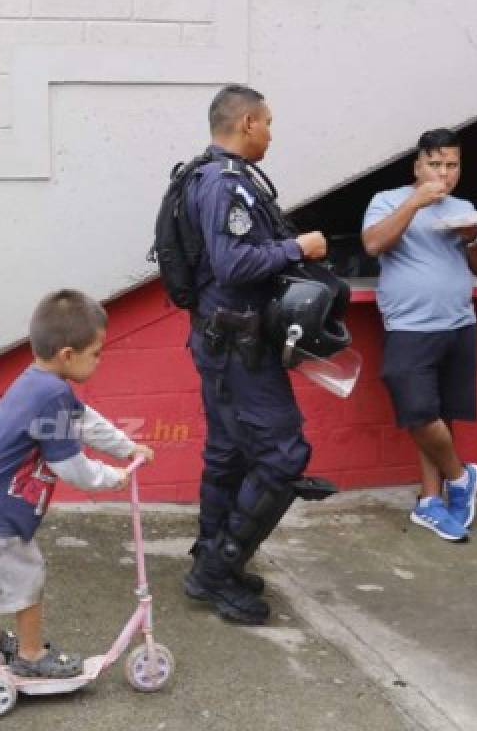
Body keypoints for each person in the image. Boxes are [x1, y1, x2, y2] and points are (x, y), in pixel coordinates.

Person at [180, 84, 331, 625]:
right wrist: (300, 248)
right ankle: (218, 569)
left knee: (228, 452)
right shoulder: (224, 184)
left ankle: (211, 554)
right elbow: (233, 263)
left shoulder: (209, 176)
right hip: (237, 346)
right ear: (246, 122)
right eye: (267, 121)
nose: (271, 132)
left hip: (224, 341)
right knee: (283, 454)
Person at [0, 289, 155, 678]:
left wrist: (125, 446)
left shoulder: (36, 381)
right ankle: (31, 656)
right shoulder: (52, 395)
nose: (99, 359)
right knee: (28, 577)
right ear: (67, 356)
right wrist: (115, 478)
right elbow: (71, 467)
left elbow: (85, 420)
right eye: (96, 352)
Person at [361, 128, 477, 542]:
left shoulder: (464, 208)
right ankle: (461, 478)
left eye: (451, 165)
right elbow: (373, 244)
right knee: (419, 412)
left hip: (458, 322)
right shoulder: (386, 200)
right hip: (409, 326)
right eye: (434, 164)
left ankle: (432, 501)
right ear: (417, 166)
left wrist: (473, 237)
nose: (443, 172)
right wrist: (415, 202)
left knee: (442, 415)